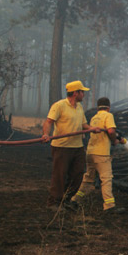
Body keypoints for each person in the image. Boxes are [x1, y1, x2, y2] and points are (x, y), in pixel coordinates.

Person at [42, 80, 100, 210]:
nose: (84, 95)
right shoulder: (59, 105)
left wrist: (92, 128)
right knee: (60, 175)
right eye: (82, 92)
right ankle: (54, 202)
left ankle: (66, 199)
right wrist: (46, 134)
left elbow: (83, 124)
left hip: (77, 146)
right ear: (75, 93)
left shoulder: (79, 107)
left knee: (78, 174)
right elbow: (49, 121)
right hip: (62, 146)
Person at [67, 97, 125, 213]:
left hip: (90, 152)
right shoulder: (108, 116)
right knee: (106, 179)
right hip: (102, 153)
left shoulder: (94, 118)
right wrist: (114, 141)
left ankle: (75, 200)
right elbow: (111, 131)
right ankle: (109, 206)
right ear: (108, 107)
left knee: (88, 179)